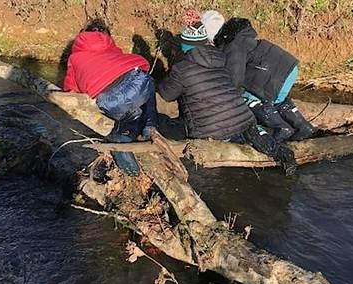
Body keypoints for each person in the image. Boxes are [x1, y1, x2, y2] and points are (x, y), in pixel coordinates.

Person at [157, 16, 296, 175]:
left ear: (184, 46)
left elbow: (166, 94)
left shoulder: (181, 68)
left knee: (162, 123)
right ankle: (281, 152)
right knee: (249, 133)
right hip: (243, 119)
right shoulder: (219, 57)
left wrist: (171, 69)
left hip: (209, 130)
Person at [200, 11, 315, 142]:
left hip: (273, 74)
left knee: (246, 97)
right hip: (288, 68)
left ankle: (281, 128)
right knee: (277, 99)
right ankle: (303, 127)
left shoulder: (233, 46)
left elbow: (235, 79)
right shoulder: (239, 36)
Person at [63, 19, 157, 175]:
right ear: (107, 36)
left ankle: (124, 136)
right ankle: (148, 125)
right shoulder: (111, 47)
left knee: (129, 113)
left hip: (108, 100)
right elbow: (132, 64)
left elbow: (70, 88)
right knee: (147, 83)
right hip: (135, 83)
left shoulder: (75, 57)